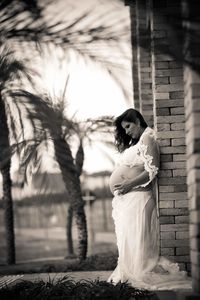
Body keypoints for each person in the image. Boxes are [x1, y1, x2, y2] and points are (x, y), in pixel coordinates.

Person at [107, 108, 191, 290]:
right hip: (130, 199)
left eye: (128, 126)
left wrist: (129, 184)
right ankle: (130, 276)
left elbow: (152, 170)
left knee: (138, 241)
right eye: (124, 129)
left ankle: (139, 276)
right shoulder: (138, 141)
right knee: (129, 240)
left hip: (139, 197)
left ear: (137, 120)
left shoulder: (148, 137)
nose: (127, 131)